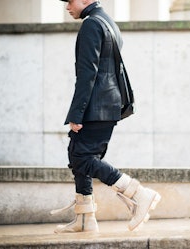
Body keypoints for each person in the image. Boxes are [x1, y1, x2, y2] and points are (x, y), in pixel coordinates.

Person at [51, 0, 161, 233]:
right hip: (106, 104)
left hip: (97, 105)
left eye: (69, 1)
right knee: (77, 153)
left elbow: (87, 72)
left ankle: (139, 194)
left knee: (82, 158)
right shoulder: (108, 22)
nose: (67, 7)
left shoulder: (92, 24)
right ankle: (85, 218)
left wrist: (76, 113)